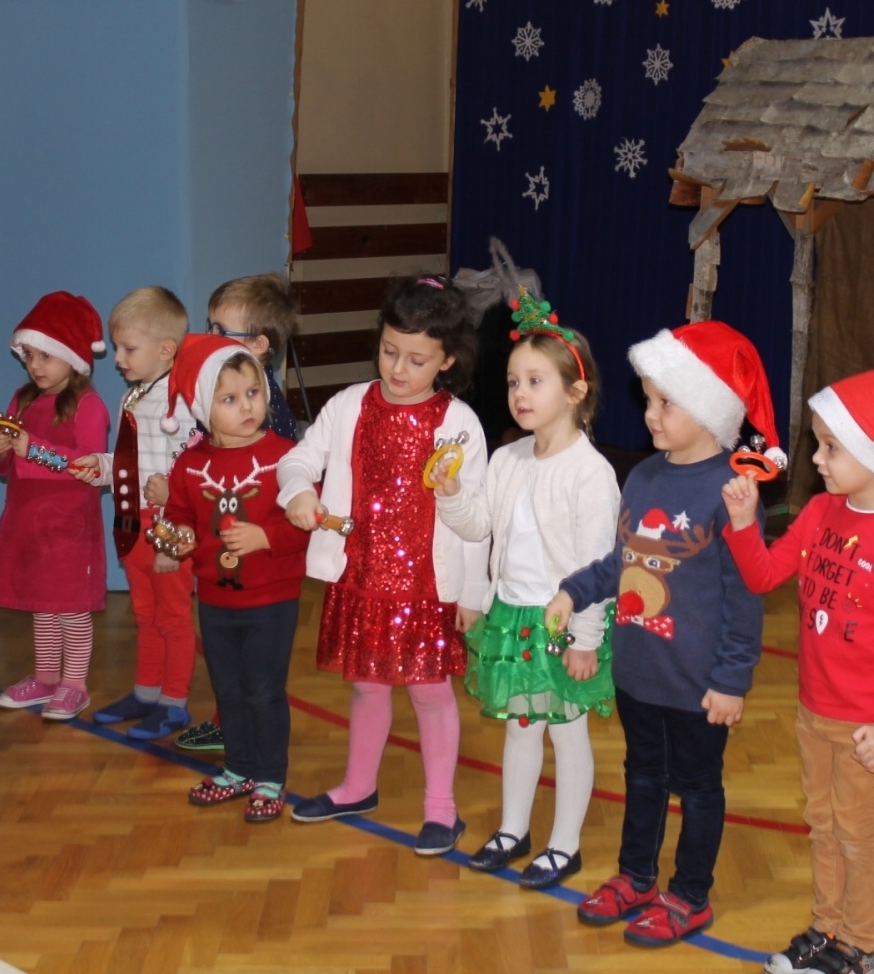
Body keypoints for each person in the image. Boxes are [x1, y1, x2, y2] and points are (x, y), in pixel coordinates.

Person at [547, 320, 782, 947]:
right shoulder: (644, 476)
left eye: (664, 402)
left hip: (699, 687)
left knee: (698, 788)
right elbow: (620, 560)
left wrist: (732, 681)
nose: (649, 414)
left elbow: (745, 596)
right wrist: (574, 590)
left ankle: (690, 895)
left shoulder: (732, 494)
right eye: (648, 399)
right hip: (640, 675)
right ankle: (637, 877)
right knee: (643, 776)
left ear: (708, 410)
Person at [721, 364, 874, 974]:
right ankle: (827, 927)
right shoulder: (820, 512)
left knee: (858, 834)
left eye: (832, 447)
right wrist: (744, 526)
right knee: (822, 824)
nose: (816, 458)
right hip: (813, 711)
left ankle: (860, 948)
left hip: (866, 724)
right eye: (819, 443)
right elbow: (765, 575)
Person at [278, 274, 489, 857]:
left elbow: (476, 522)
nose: (398, 369)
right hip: (363, 578)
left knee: (429, 692)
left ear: (446, 360)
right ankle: (357, 786)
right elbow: (299, 459)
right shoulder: (348, 405)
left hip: (427, 585)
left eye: (417, 360)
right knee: (367, 686)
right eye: (390, 352)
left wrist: (471, 593)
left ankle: (441, 810)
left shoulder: (459, 425)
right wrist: (297, 490)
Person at [434, 292, 619, 889]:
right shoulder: (509, 457)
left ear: (574, 391)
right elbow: (478, 527)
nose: (519, 393)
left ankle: (565, 846)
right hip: (512, 616)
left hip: (563, 625)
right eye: (514, 381)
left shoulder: (591, 474)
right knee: (520, 726)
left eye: (535, 381)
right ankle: (514, 829)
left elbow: (601, 566)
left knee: (567, 730)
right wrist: (451, 491)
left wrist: (585, 639)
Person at [160, 336, 310, 821]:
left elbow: (307, 521)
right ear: (205, 409)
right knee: (227, 690)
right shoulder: (190, 463)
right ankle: (239, 768)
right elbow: (180, 512)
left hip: (272, 599)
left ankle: (271, 777)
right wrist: (178, 537)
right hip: (216, 601)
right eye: (230, 399)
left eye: (254, 392)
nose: (248, 406)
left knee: (264, 691)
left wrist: (267, 537)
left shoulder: (287, 459)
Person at [176, 273, 301, 754]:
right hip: (223, 583)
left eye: (219, 330)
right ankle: (233, 731)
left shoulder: (272, 425)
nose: (208, 337)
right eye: (207, 326)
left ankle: (251, 747)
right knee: (231, 672)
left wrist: (267, 535)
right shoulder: (212, 411)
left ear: (258, 345)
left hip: (267, 580)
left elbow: (288, 503)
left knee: (258, 677)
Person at [70, 287, 200, 740]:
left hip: (162, 527)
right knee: (145, 614)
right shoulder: (134, 396)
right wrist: (102, 466)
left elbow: (186, 474)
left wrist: (172, 534)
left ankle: (174, 702)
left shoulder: (178, 406)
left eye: (128, 348)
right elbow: (134, 459)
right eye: (117, 347)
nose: (119, 358)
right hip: (131, 521)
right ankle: (146, 692)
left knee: (173, 616)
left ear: (166, 349)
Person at [0, 292, 112, 721]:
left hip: (70, 528)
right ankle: (44, 678)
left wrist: (30, 448)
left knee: (71, 610)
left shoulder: (89, 406)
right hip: (28, 523)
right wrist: (2, 448)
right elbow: (6, 469)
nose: (35, 366)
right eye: (29, 356)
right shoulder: (21, 400)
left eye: (46, 356)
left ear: (73, 358)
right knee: (43, 605)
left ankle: (74, 684)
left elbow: (85, 467)